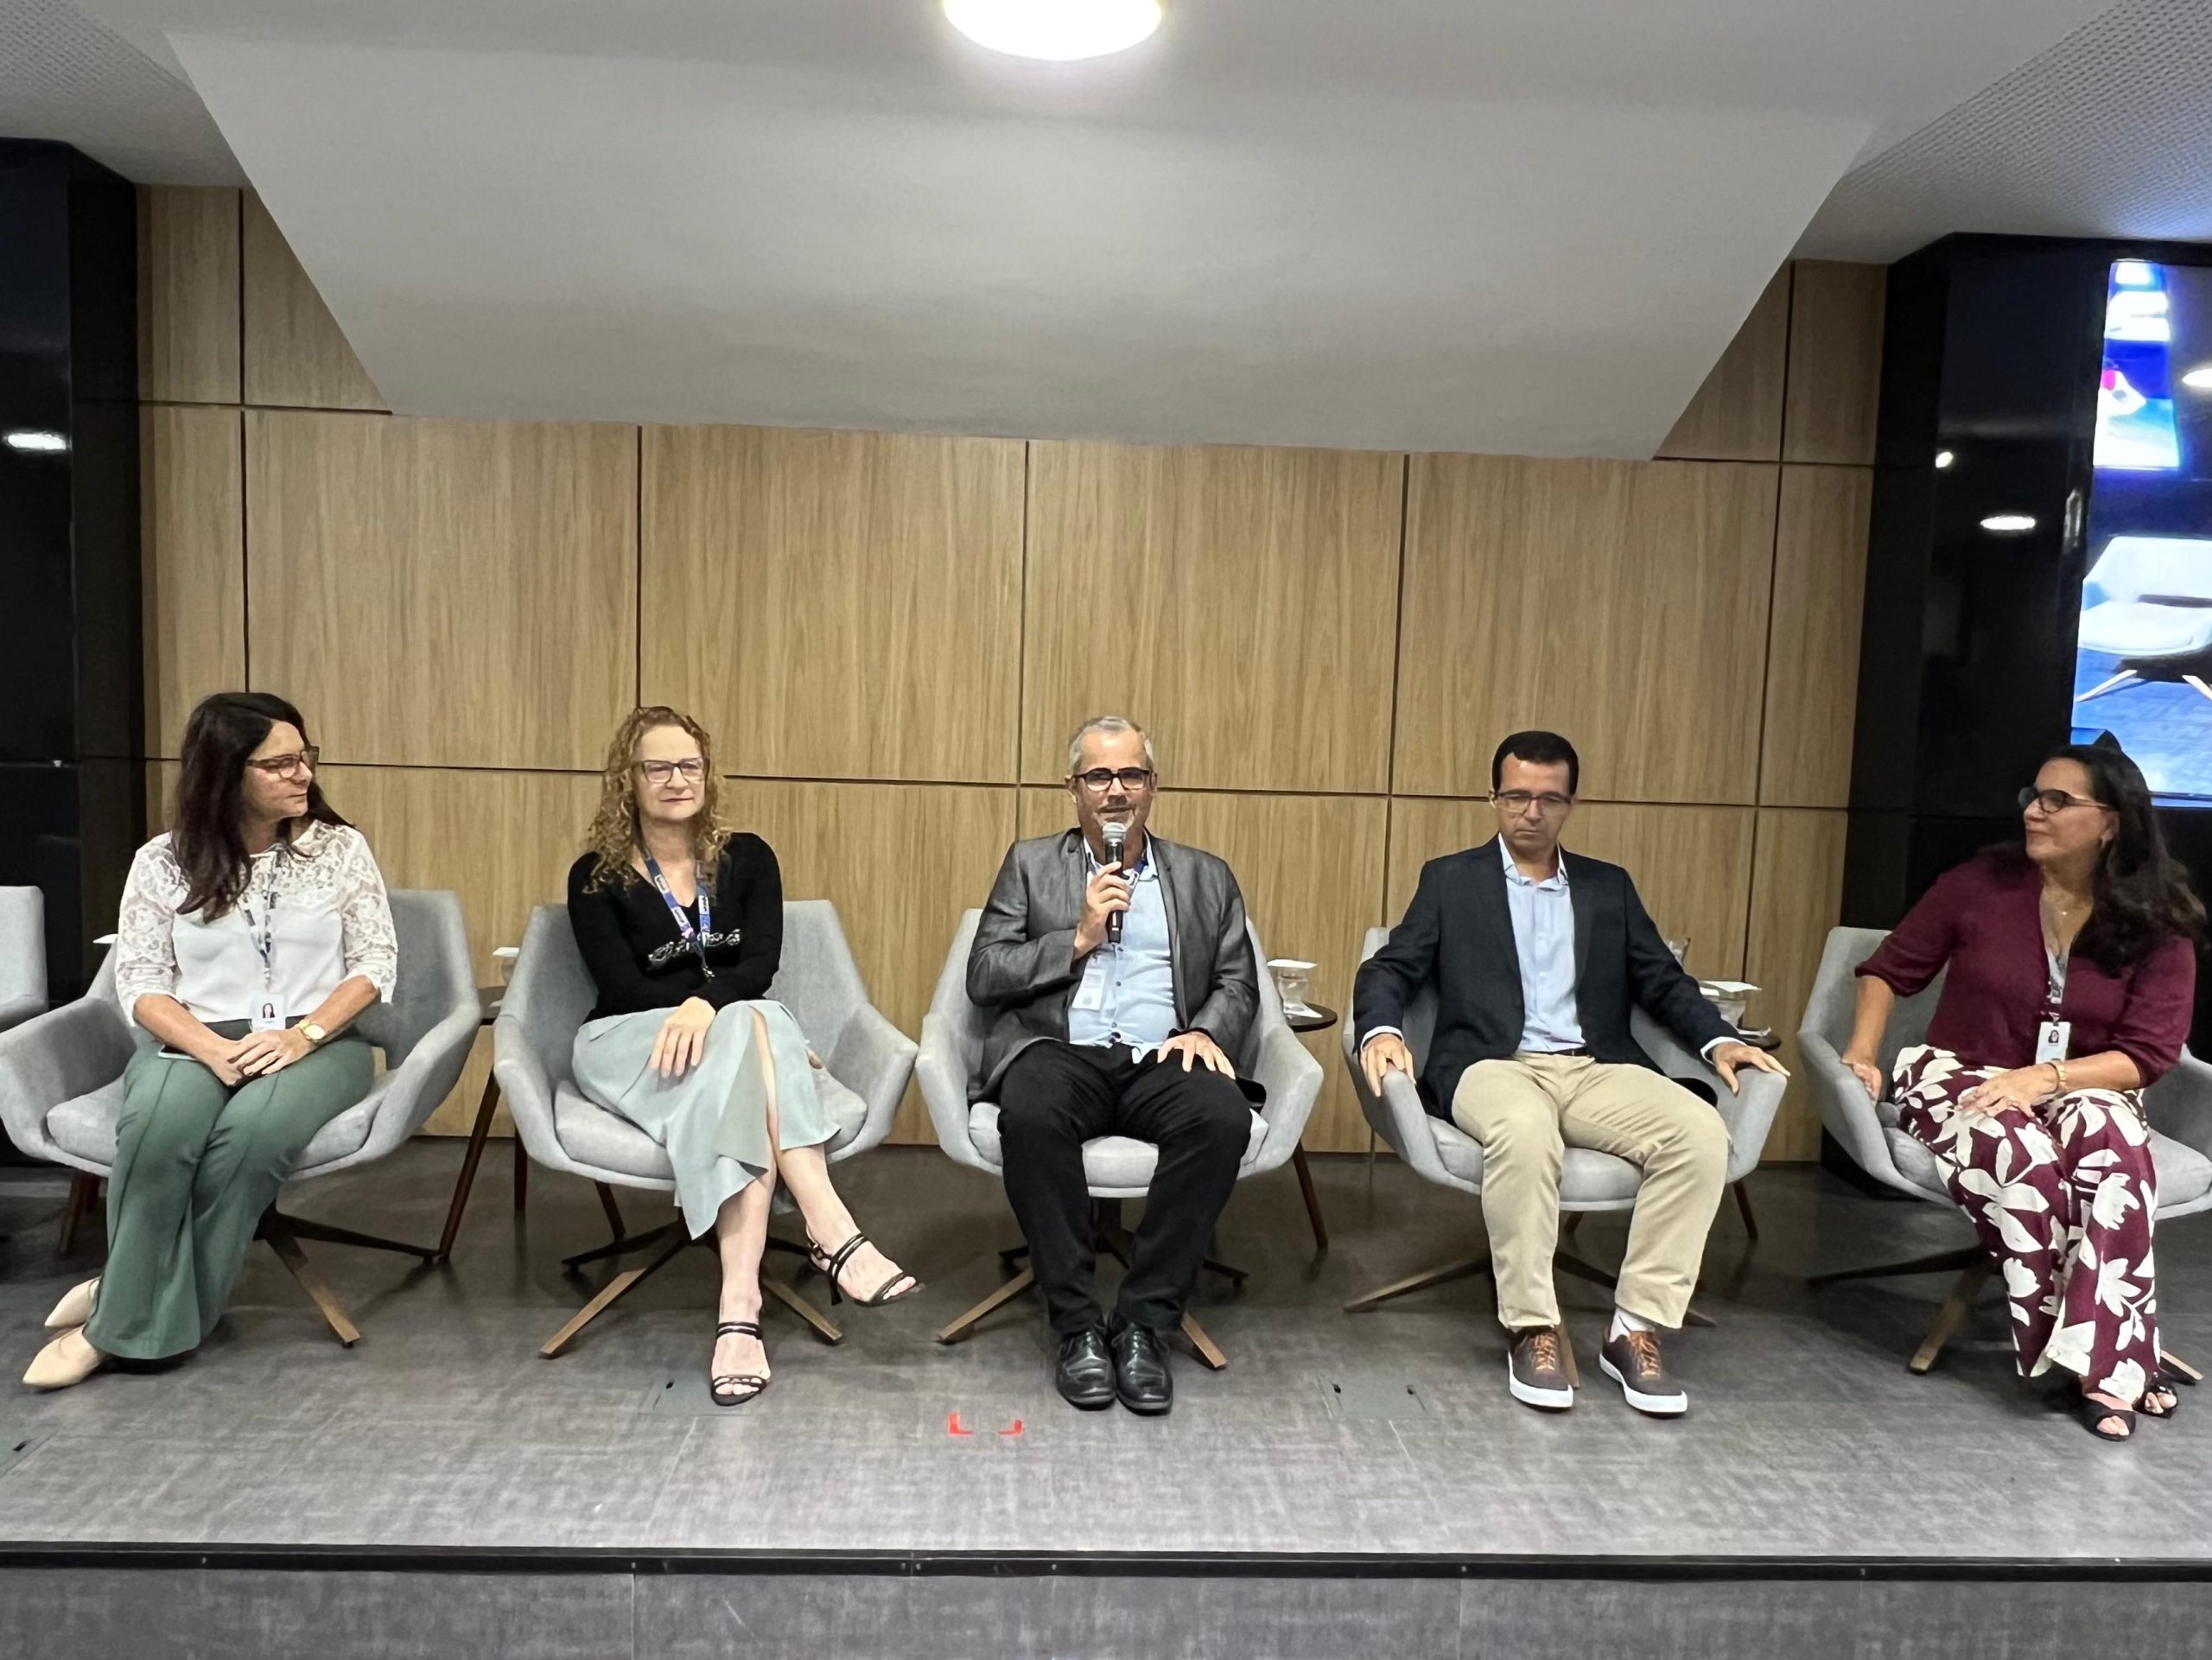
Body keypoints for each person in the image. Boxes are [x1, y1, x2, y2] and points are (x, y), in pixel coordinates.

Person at [1354, 730, 1784, 1417]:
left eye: (1549, 798)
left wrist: (1719, 1040)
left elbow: (1662, 979)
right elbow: (1391, 967)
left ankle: (1635, 1327)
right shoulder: (1451, 880)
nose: (1532, 811)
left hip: (1594, 1065)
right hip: (1491, 1063)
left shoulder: (1607, 886)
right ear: (1492, 797)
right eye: (1517, 796)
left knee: (1698, 1132)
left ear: (1571, 803)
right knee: (1525, 1129)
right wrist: (1380, 1028)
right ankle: (1533, 1327)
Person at [25, 693, 397, 1390]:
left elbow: (375, 965)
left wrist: (303, 1036)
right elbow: (140, 982)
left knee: (251, 1135)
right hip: (194, 1037)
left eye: (304, 757)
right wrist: (209, 1048)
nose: (303, 774)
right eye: (279, 763)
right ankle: (135, 1301)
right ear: (225, 772)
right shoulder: (162, 862)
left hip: (319, 1041)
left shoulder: (339, 849)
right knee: (158, 1132)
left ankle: (115, 1318)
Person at [1840, 741, 2202, 1442]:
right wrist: (1861, 1051)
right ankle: (2111, 1362)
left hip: (2085, 1080)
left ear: (2111, 822)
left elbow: (2148, 1054)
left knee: (2115, 1155)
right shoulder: (1981, 882)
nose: (2035, 810)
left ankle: (2102, 1360)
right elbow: (1887, 969)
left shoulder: (2158, 919)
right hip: (1958, 1073)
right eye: (2034, 796)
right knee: (2027, 1161)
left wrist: (2047, 1078)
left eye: (2058, 800)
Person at [566, 706, 918, 1408]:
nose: (676, 779)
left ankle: (740, 1312)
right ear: (627, 779)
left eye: (689, 765)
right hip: (631, 1041)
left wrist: (719, 1013)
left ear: (708, 773)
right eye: (657, 767)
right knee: (758, 1021)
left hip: (728, 1034)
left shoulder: (749, 858)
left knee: (750, 1032)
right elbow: (622, 985)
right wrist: (716, 1013)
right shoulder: (595, 875)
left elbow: (760, 963)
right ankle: (830, 1227)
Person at [968, 716, 1262, 1416]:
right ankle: (1076, 1327)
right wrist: (1076, 938)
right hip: (1061, 1050)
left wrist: (1205, 1029)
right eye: (1099, 775)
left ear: (1153, 786)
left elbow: (1238, 980)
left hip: (1162, 1054)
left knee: (1222, 1117)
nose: (1116, 790)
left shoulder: (1206, 875)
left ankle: (1143, 1325)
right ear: (1073, 788)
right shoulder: (1030, 864)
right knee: (1030, 1110)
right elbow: (985, 972)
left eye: (1131, 774)